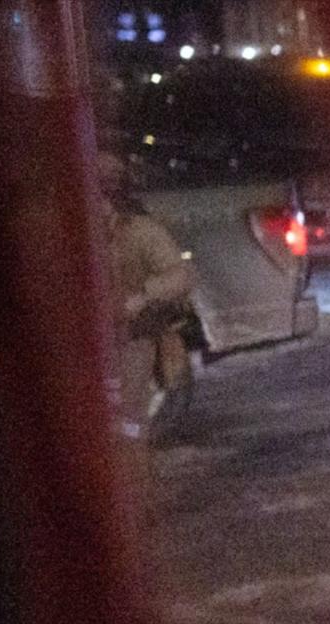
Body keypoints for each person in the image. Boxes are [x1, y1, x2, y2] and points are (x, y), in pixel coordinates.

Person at [96, 150, 194, 449]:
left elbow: (181, 276)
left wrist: (141, 297)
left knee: (128, 425)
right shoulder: (70, 233)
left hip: (132, 338)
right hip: (91, 343)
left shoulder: (141, 233)